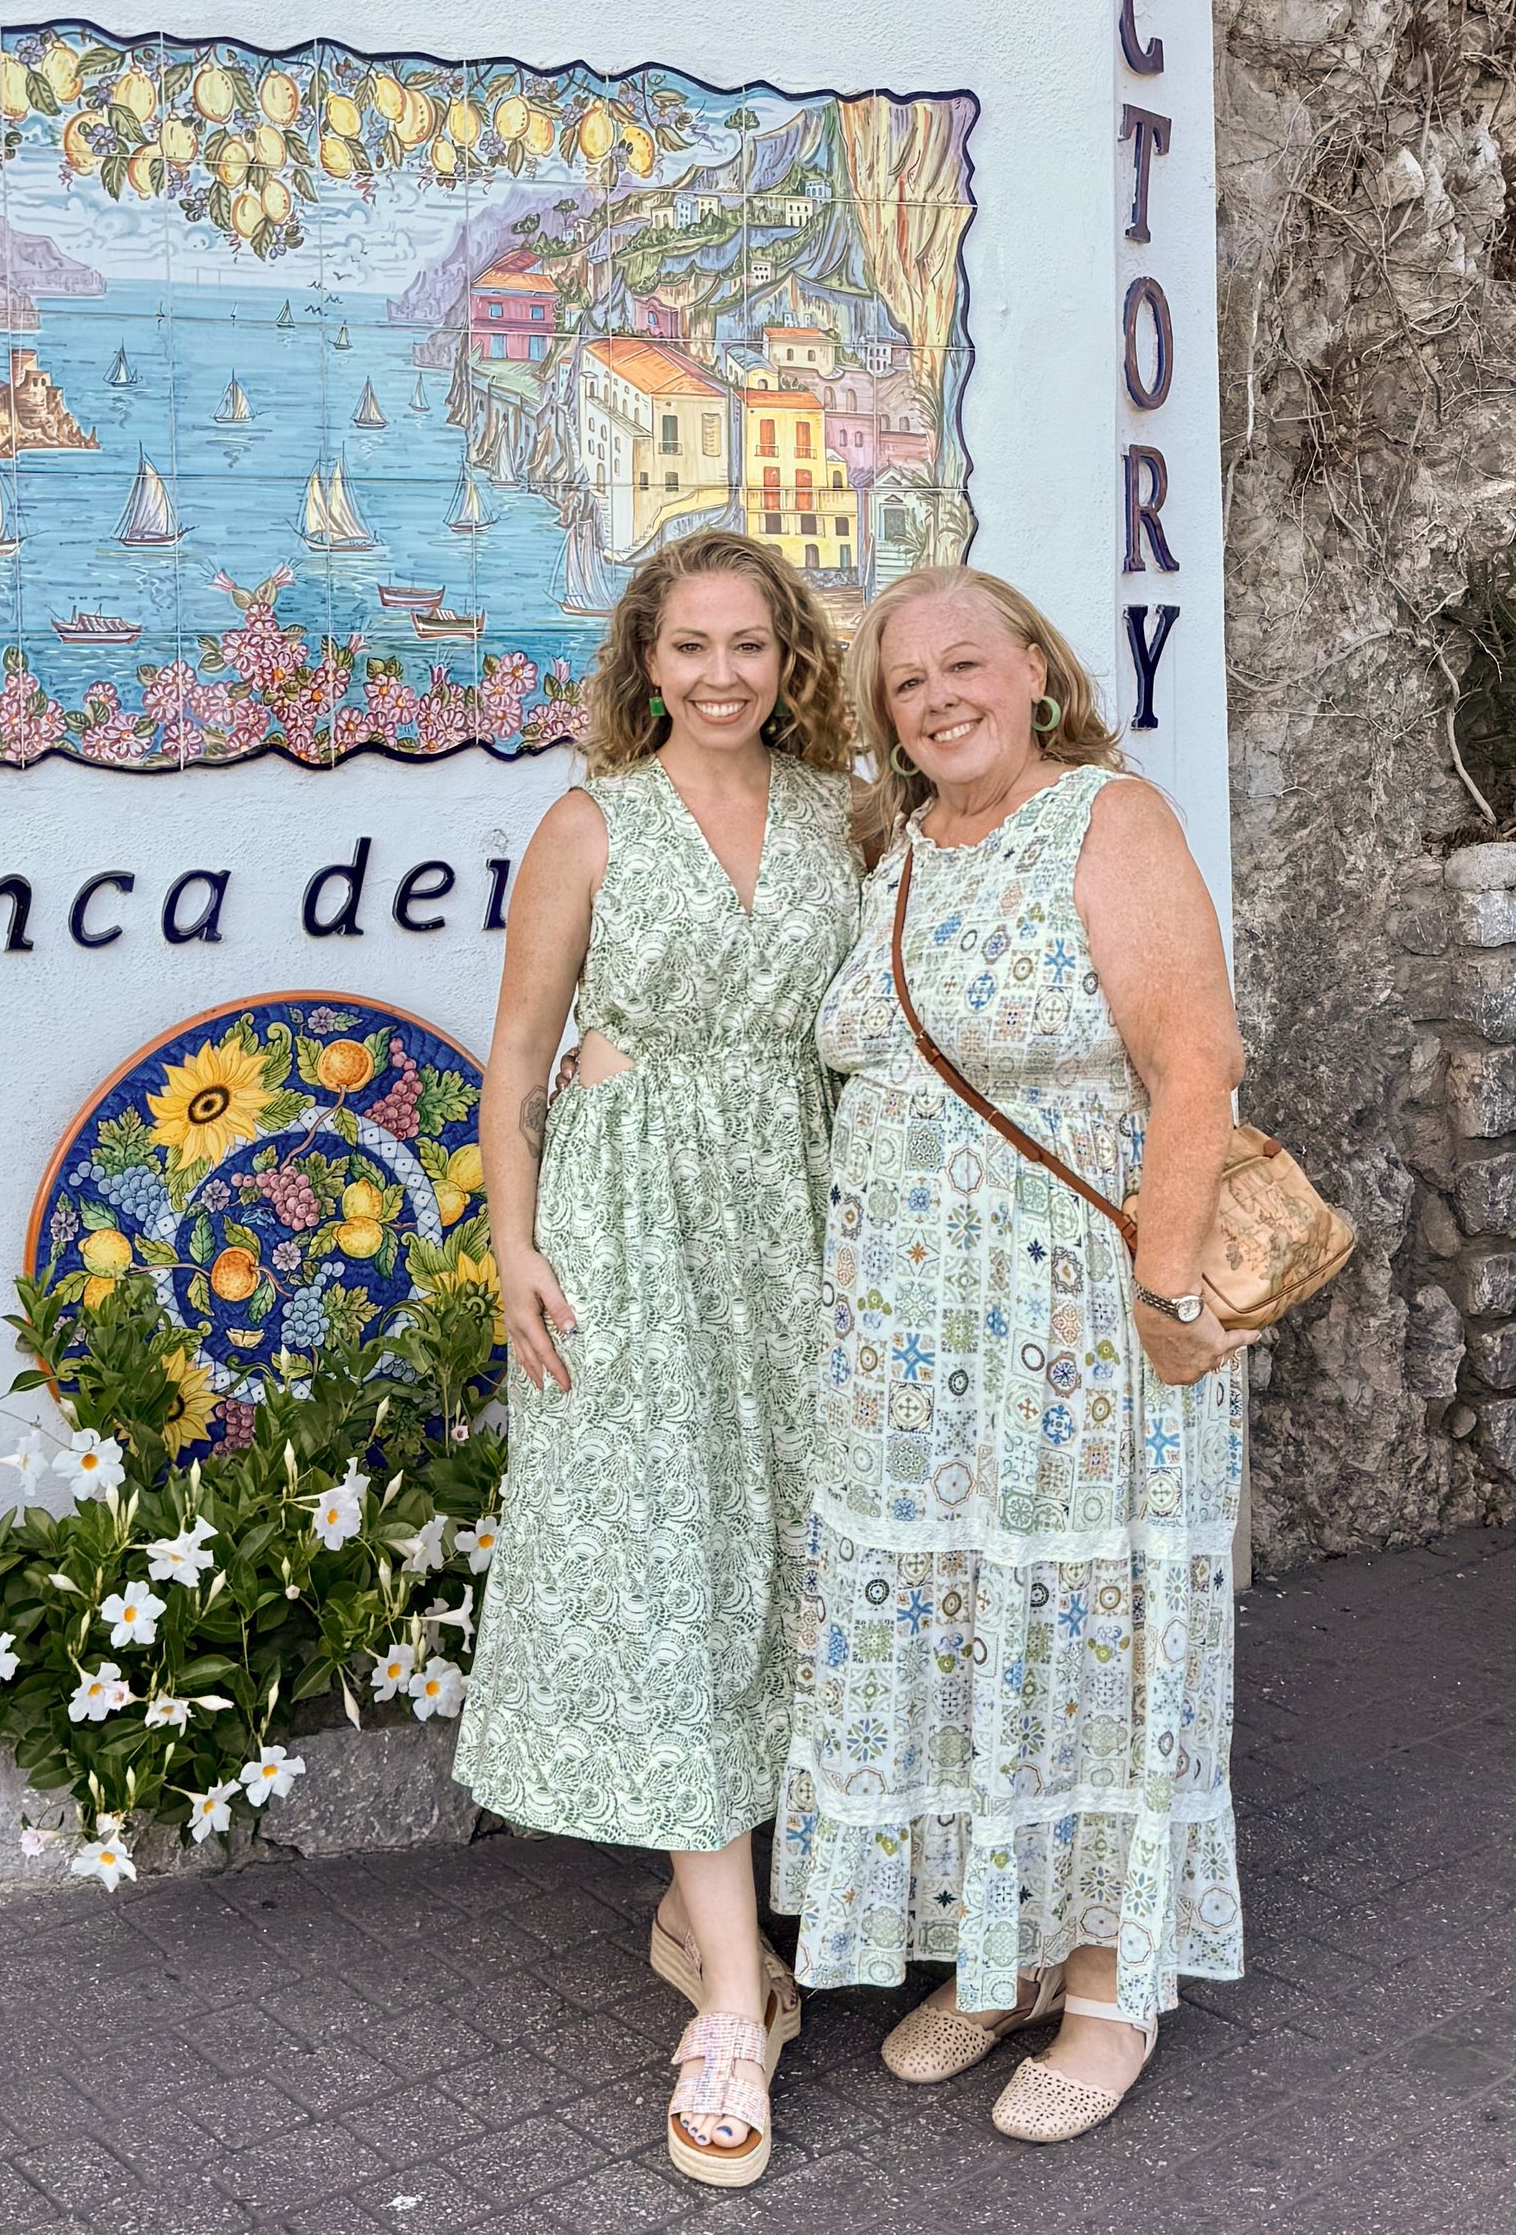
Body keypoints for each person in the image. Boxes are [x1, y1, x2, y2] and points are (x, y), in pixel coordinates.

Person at [774, 563, 1245, 2143]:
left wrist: (1170, 1295)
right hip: (915, 1356)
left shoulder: (1109, 819)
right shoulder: (900, 846)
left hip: (1080, 1328)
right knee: (981, 1631)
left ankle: (1110, 1978)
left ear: (1036, 667)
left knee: (1097, 1630)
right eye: (905, 684)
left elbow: (1198, 1061)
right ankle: (1008, 1943)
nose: (936, 698)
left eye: (963, 664)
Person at [454, 533, 861, 2192]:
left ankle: (718, 1927)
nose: (719, 673)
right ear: (644, 662)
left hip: (815, 1212)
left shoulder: (850, 813)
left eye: (749, 644)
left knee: (808, 1560)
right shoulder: (588, 823)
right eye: (688, 645)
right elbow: (516, 1053)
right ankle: (729, 2011)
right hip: (635, 1227)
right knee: (682, 1569)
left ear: (789, 659)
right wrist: (513, 1247)